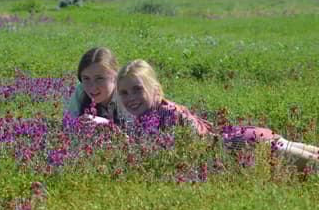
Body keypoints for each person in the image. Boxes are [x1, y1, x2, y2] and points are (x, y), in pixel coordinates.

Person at [116, 59, 319, 166]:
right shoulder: (147, 117)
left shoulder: (169, 113)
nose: (131, 98)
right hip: (247, 141)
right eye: (124, 93)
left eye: (137, 89)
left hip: (249, 148)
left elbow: (201, 144)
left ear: (155, 90)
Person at [67, 47, 130, 128]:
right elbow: (68, 128)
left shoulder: (127, 94)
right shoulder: (80, 91)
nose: (92, 87)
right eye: (86, 78)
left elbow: (136, 136)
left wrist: (106, 123)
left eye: (100, 78)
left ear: (115, 77)